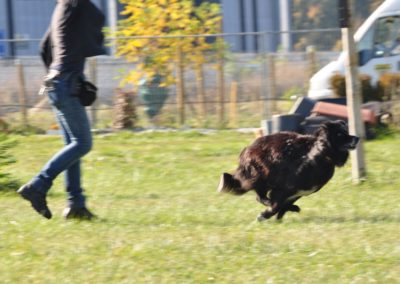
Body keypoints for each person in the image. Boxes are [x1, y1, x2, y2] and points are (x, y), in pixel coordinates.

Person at [17, 0, 105, 220]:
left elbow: (44, 46)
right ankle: (38, 185)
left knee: (71, 147)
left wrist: (56, 72)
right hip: (66, 81)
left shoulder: (61, 8)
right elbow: (96, 19)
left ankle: (76, 205)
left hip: (56, 82)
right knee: (82, 143)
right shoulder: (75, 4)